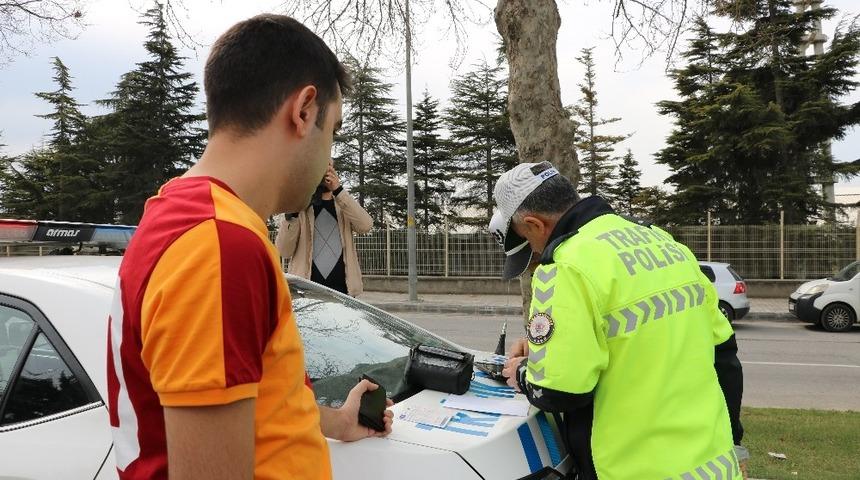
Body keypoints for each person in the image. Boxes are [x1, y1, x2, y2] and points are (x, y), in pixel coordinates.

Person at [106, 15, 392, 480]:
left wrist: (336, 421)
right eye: (333, 131)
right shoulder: (218, 245)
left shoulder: (187, 214)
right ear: (303, 110)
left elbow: (249, 399)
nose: (329, 155)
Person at [493, 162, 744, 480]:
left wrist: (524, 370)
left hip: (633, 469)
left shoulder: (566, 266)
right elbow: (724, 356)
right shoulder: (664, 243)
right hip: (715, 466)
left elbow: (559, 392)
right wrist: (733, 441)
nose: (535, 255)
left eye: (529, 244)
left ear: (533, 224)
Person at [276, 160, 372, 296]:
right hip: (306, 292)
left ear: (334, 171)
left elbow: (366, 226)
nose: (324, 172)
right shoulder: (300, 207)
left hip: (344, 292)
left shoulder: (344, 204)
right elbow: (284, 251)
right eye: (320, 166)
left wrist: (339, 190)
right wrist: (294, 212)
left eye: (328, 166)